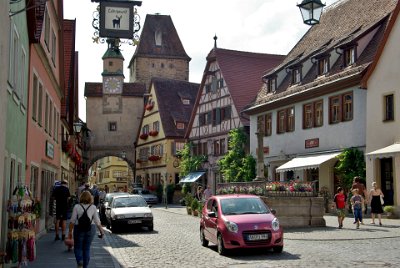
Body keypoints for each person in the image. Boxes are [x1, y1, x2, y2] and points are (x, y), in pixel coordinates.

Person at [68, 191, 104, 268]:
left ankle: (80, 262)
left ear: (81, 197)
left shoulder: (77, 206)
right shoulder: (93, 207)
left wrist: (70, 231)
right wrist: (102, 232)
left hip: (78, 228)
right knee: (87, 248)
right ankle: (85, 266)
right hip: (90, 229)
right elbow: (97, 221)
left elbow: (72, 221)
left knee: (78, 247)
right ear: (90, 198)